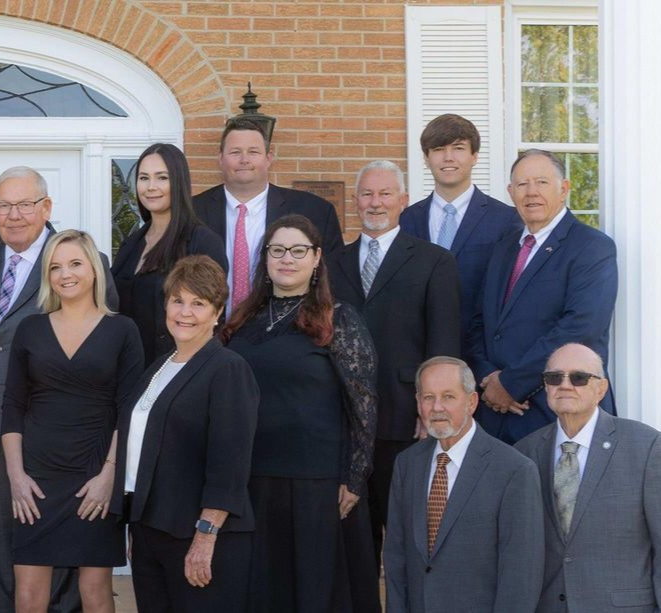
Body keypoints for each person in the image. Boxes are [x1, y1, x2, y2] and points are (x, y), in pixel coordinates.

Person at [0, 166, 116, 612]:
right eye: (4, 205)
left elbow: (105, 348)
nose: (14, 214)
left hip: (59, 438)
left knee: (61, 547)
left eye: (25, 204)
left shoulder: (79, 262)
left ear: (46, 207)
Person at [221, 215, 377, 612]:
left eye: (297, 250)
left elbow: (363, 403)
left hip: (315, 482)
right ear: (265, 258)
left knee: (313, 590)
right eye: (277, 250)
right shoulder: (243, 319)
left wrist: (355, 478)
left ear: (317, 257)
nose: (286, 259)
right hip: (252, 478)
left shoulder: (338, 318)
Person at [326, 161, 460, 568]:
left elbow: (444, 342)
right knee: (352, 540)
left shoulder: (434, 261)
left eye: (385, 194)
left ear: (403, 200)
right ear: (355, 201)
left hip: (404, 417)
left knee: (408, 535)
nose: (375, 202)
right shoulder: (330, 263)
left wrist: (431, 407)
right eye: (367, 194)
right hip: (344, 420)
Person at [2, 230, 143, 613]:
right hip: (36, 478)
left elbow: (129, 411)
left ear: (94, 269)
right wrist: (16, 477)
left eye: (75, 263)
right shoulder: (30, 328)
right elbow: (12, 406)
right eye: (55, 267)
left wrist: (109, 477)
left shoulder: (123, 330)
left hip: (94, 476)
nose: (65, 274)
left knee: (95, 591)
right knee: (29, 595)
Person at [117, 255, 258, 611]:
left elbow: (230, 462)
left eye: (199, 303)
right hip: (152, 529)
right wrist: (138, 527)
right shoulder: (159, 366)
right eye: (177, 300)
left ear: (218, 311)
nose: (185, 312)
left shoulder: (227, 368)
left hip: (199, 534)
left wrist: (205, 536)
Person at [468, 149, 618, 444]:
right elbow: (479, 322)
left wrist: (511, 384)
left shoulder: (592, 247)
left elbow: (581, 328)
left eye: (542, 182)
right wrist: (488, 379)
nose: (531, 192)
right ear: (510, 192)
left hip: (554, 408)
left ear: (564, 189)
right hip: (495, 411)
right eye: (522, 184)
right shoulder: (503, 248)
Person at [384, 357, 542, 613]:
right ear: (418, 401)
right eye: (428, 397)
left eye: (448, 397)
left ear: (471, 402)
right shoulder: (407, 464)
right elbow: (396, 557)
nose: (437, 407)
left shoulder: (513, 470)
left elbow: (520, 577)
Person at [514, 343, 661, 612]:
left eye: (579, 378)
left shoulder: (645, 446)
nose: (565, 385)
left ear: (601, 389)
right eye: (554, 377)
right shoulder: (525, 453)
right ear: (546, 386)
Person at [192, 117, 345, 311]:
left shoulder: (315, 211)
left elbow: (331, 280)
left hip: (288, 325)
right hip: (209, 326)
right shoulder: (192, 212)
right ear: (220, 158)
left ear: (269, 157)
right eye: (235, 152)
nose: (244, 160)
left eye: (253, 152)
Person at [400, 114, 521, 358]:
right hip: (417, 356)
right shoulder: (406, 220)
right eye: (438, 149)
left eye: (458, 148)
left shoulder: (507, 220)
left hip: (480, 357)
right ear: (426, 158)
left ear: (474, 156)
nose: (448, 157)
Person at [110, 143, 228, 363]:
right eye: (144, 178)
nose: (151, 187)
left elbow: (209, 316)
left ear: (179, 182)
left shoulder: (202, 242)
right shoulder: (131, 243)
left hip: (176, 367)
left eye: (162, 178)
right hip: (129, 366)